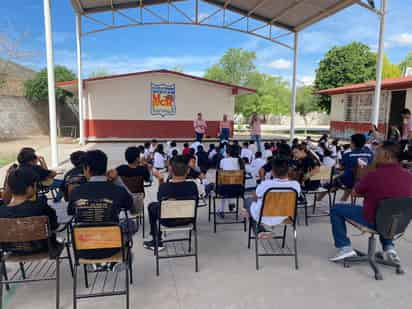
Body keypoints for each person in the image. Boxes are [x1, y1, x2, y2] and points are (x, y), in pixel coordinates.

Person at [329, 142, 412, 262]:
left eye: (377, 152)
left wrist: (367, 173)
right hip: (399, 223)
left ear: (386, 155)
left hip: (373, 220)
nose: (374, 155)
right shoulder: (409, 176)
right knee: (391, 212)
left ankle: (345, 247)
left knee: (336, 209)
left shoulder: (374, 175)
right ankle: (389, 248)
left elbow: (355, 193)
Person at [0, 167, 62, 256]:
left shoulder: (1, 211)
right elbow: (54, 225)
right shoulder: (40, 205)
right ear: (29, 188)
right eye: (35, 185)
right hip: (43, 248)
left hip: (12, 251)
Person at [143, 155, 198, 251]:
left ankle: (156, 240)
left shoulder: (164, 187)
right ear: (188, 171)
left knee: (152, 206)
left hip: (168, 221)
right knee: (155, 205)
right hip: (187, 219)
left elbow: (160, 202)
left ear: (170, 170)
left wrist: (160, 180)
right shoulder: (193, 186)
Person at [68, 150, 133, 224]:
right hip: (111, 234)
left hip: (84, 234)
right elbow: (131, 205)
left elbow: (70, 211)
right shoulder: (119, 191)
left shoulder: (76, 192)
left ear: (87, 168)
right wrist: (117, 180)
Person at [243, 157, 301, 230]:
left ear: (272, 172)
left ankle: (260, 230)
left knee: (248, 201)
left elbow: (255, 197)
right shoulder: (295, 185)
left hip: (264, 216)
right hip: (284, 216)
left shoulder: (266, 184)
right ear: (288, 171)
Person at [335, 134, 374, 201]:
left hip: (350, 182)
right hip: (365, 182)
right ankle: (343, 201)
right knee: (350, 179)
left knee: (334, 181)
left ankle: (319, 199)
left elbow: (340, 167)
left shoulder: (348, 155)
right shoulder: (371, 154)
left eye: (350, 142)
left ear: (353, 143)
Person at [116, 146, 153, 215]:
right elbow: (149, 180)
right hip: (138, 196)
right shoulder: (142, 169)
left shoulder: (120, 169)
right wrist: (149, 169)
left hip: (123, 197)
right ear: (137, 158)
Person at [217, 145, 245, 217]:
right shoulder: (239, 161)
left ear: (227, 153)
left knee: (225, 184)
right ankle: (231, 203)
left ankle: (221, 210)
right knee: (230, 182)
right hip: (238, 190)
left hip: (224, 189)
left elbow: (220, 175)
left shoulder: (223, 161)